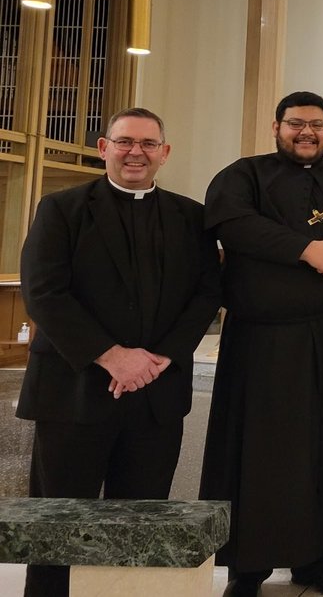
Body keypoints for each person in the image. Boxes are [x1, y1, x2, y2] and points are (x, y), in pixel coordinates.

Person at [200, 91, 323, 597]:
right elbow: (233, 224)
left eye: (317, 124)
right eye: (296, 124)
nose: (306, 132)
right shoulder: (245, 175)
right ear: (277, 128)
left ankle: (321, 560)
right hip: (265, 344)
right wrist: (306, 249)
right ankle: (249, 566)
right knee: (263, 455)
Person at [17, 108, 222, 597]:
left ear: (164, 153)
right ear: (104, 148)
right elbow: (44, 291)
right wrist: (112, 356)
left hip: (155, 394)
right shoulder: (61, 208)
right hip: (73, 391)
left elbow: (206, 293)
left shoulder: (191, 217)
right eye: (125, 141)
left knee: (141, 525)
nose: (136, 152)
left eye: (148, 144)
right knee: (60, 523)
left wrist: (162, 357)